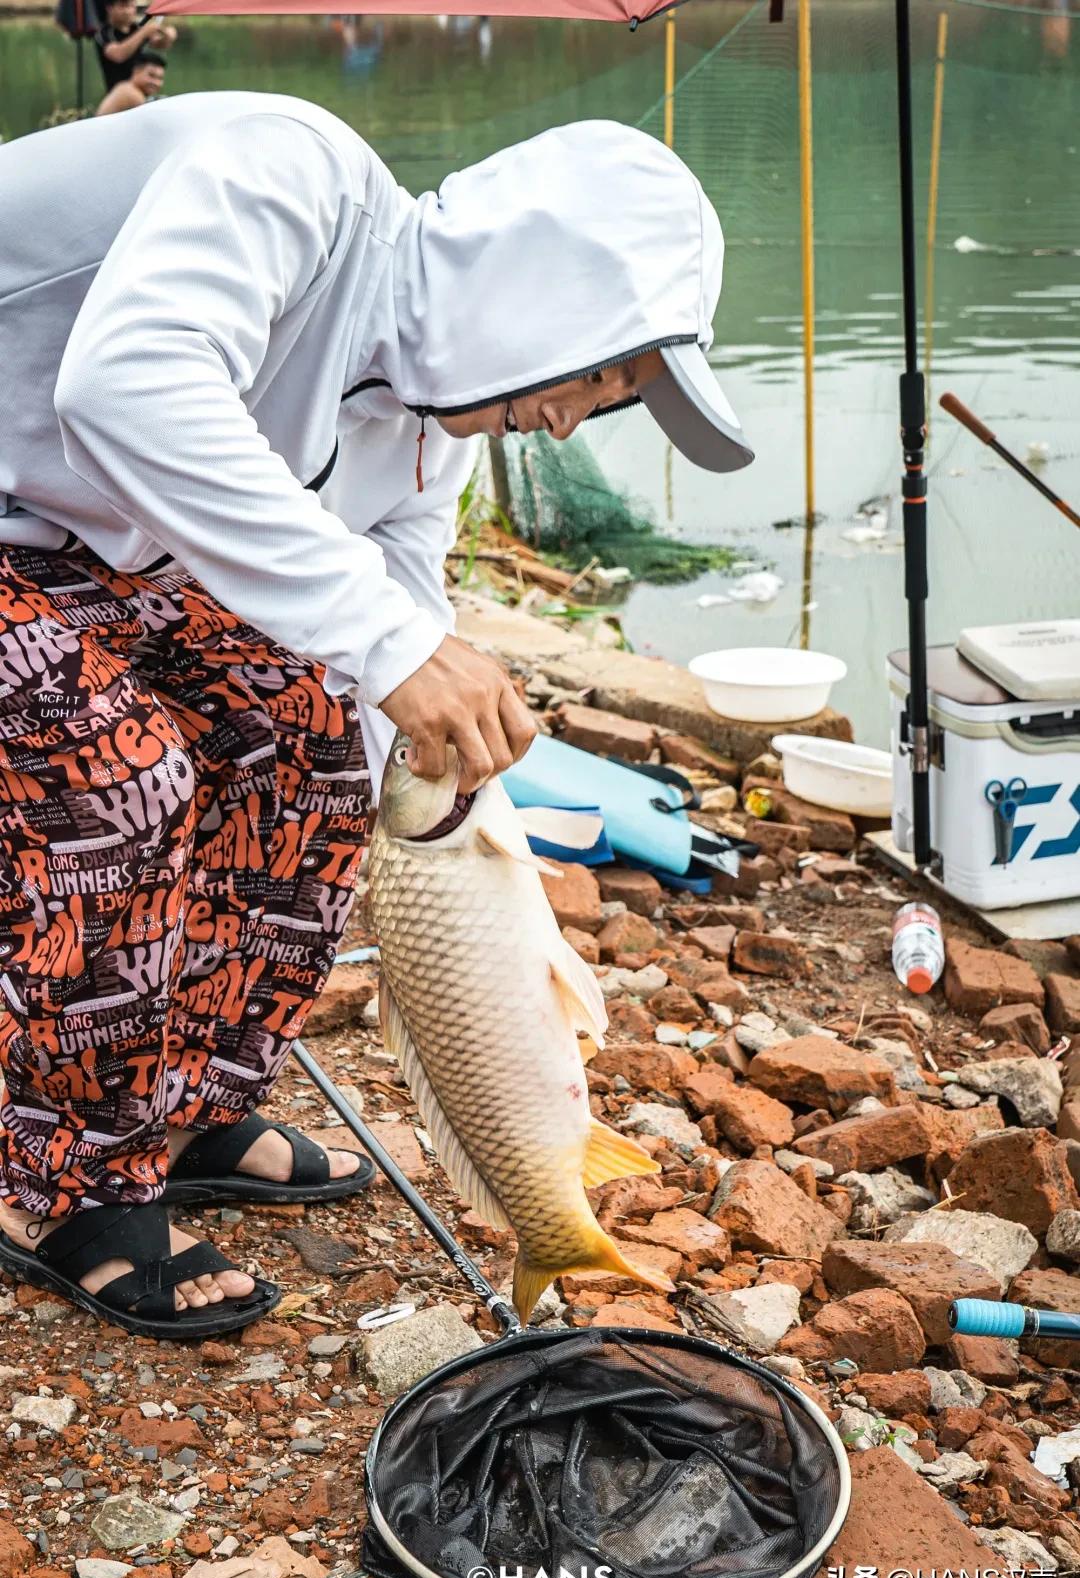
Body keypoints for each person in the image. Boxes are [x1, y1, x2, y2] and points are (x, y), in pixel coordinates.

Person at [0, 96, 753, 1341]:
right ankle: (57, 1180)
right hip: (39, 532)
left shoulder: (425, 420)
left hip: (67, 548)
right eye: (597, 376)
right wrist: (398, 649)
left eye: (605, 402)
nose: (569, 421)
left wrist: (426, 729)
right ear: (539, 286)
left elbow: (396, 582)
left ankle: (173, 1105)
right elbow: (126, 384)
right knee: (120, 781)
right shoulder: (295, 178)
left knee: (305, 732)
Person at [94, 0, 175, 92]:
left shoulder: (136, 28)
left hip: (141, 90)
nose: (128, 11)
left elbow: (160, 44)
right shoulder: (103, 32)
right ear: (110, 8)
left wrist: (168, 36)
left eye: (131, 6)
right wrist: (143, 32)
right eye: (123, 6)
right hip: (118, 92)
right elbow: (117, 55)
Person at [96, 48, 166, 114]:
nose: (155, 82)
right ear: (137, 71)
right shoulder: (132, 94)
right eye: (151, 75)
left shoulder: (125, 87)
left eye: (160, 78)